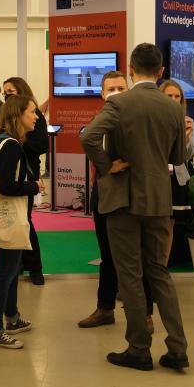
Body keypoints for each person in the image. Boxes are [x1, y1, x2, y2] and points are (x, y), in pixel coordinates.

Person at [80, 43, 189, 372]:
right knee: (159, 273)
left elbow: (88, 136)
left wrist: (107, 164)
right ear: (160, 72)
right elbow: (178, 158)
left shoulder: (119, 103)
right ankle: (178, 348)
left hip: (123, 200)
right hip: (157, 199)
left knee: (130, 274)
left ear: (130, 69)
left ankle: (139, 348)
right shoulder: (173, 107)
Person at [77, 70, 137, 329]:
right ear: (102, 94)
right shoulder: (98, 120)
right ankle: (105, 308)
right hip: (102, 194)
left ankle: (141, 316)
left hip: (130, 195)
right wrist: (106, 167)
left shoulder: (136, 121)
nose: (115, 93)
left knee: (134, 258)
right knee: (107, 255)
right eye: (110, 89)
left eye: (121, 88)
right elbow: (89, 140)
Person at [0, 96, 43, 349]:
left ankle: (12, 318)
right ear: (19, 115)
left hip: (2, 216)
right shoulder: (10, 146)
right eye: (32, 112)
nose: (37, 117)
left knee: (10, 269)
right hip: (8, 217)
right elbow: (6, 186)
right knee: (5, 273)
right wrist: (34, 186)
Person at [2, 77, 49, 285]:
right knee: (15, 222)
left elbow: (42, 145)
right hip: (13, 174)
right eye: (5, 92)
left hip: (27, 173)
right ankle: (19, 264)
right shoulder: (7, 116)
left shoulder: (35, 116)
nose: (6, 96)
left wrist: (19, 144)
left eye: (10, 91)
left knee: (25, 221)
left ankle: (35, 267)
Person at [159, 79, 194, 260]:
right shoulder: (154, 120)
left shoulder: (188, 121)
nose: (174, 99)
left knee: (170, 225)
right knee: (158, 225)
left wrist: (186, 139)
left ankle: (163, 268)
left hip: (178, 178)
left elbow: (188, 156)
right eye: (169, 96)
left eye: (177, 96)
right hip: (158, 177)